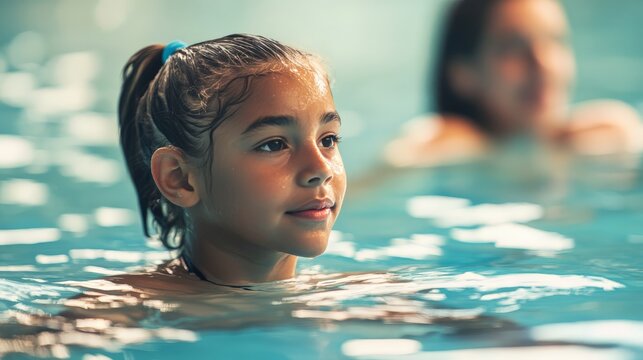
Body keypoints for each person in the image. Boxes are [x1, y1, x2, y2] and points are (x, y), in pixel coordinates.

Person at [111, 34, 346, 291]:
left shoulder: (368, 302)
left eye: (328, 140)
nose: (321, 169)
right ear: (179, 178)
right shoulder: (111, 315)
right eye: (274, 144)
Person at [384, 0, 642, 168]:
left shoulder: (612, 131)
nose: (543, 63)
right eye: (513, 46)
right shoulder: (439, 145)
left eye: (555, 40)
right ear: (463, 74)